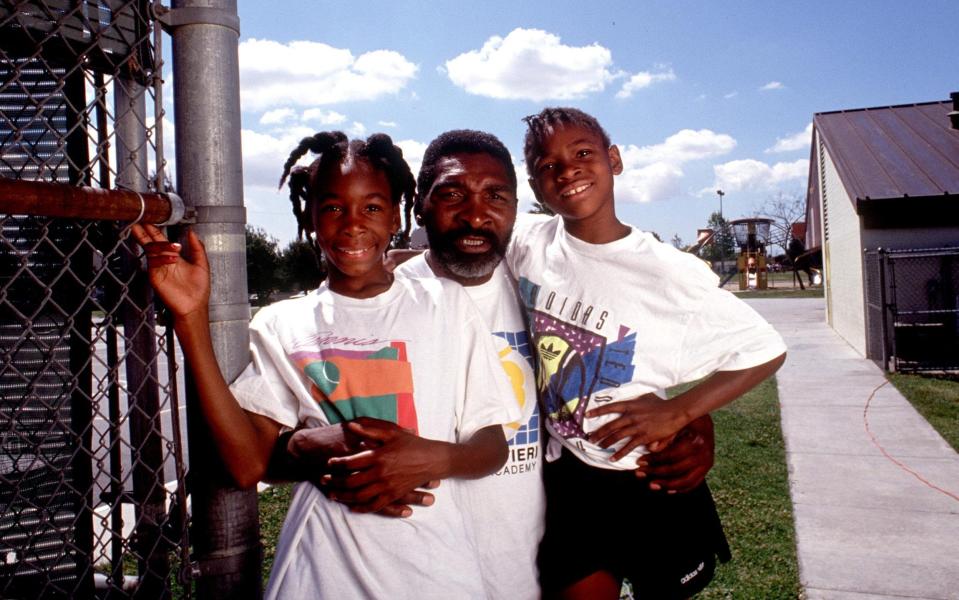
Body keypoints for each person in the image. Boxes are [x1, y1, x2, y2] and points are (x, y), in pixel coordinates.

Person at [281, 129, 721, 598]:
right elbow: (273, 444)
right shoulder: (381, 300)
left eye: (495, 196)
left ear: (515, 207)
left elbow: (629, 365)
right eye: (451, 194)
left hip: (535, 559)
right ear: (419, 207)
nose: (474, 215)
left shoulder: (546, 287)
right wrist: (307, 446)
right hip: (418, 564)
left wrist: (694, 420)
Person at [131, 131, 519, 599]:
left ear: (396, 214)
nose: (353, 225)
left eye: (372, 207)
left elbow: (492, 444)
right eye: (334, 207)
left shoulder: (447, 303)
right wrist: (190, 319)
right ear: (311, 216)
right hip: (319, 575)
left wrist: (431, 457)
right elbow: (245, 465)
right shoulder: (283, 323)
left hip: (436, 571)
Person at [512, 107, 788, 599]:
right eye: (548, 165)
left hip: (647, 474)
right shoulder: (528, 242)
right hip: (571, 475)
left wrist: (681, 412)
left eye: (582, 154)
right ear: (535, 187)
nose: (567, 170)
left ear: (613, 160)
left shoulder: (665, 271)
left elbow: (764, 349)